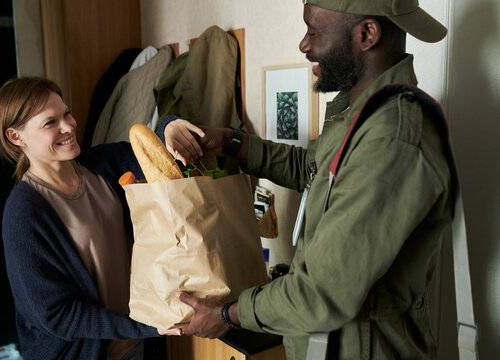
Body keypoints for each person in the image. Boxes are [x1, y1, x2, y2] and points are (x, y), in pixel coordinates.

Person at [170, 0, 453, 359]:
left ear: (367, 34)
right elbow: (315, 170)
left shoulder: (391, 138)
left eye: (314, 31)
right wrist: (231, 142)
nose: (305, 45)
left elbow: (321, 294)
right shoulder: (361, 112)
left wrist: (229, 314)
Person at [0, 77, 203, 360]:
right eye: (50, 122)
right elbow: (57, 315)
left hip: (141, 341)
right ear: (16, 137)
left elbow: (159, 153)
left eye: (66, 113)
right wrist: (149, 326)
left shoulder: (102, 164)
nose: (68, 126)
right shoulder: (24, 212)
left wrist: (170, 124)